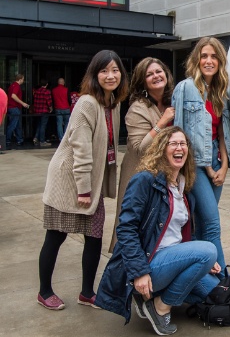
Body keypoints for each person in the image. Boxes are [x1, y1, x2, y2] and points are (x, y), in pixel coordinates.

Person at [95, 126, 220, 336]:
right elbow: (126, 229)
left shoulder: (183, 187)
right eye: (173, 143)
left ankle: (153, 298)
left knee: (210, 293)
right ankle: (160, 306)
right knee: (208, 250)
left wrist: (199, 259)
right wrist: (139, 272)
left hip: (171, 260)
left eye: (183, 144)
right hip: (149, 264)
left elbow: (182, 234)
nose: (179, 148)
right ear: (162, 149)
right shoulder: (145, 180)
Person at [36, 50, 128, 311]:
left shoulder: (113, 102)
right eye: (104, 71)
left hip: (90, 181)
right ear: (94, 75)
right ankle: (44, 291)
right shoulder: (87, 103)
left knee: (94, 235)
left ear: (121, 74)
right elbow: (81, 149)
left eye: (115, 70)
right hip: (70, 179)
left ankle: (87, 292)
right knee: (56, 235)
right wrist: (84, 190)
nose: (110, 76)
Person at [171, 36, 230, 278]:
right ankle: (223, 283)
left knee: (199, 224)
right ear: (196, 60)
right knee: (212, 225)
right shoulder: (186, 88)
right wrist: (207, 167)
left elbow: (222, 132)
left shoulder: (221, 91)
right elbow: (180, 132)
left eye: (214, 56)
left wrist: (225, 165)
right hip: (196, 167)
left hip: (218, 163)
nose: (209, 61)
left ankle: (199, 281)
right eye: (204, 56)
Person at [108, 57, 175, 252]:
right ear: (142, 81)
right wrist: (162, 122)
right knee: (136, 228)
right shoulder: (138, 108)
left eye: (159, 71)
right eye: (149, 74)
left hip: (165, 174)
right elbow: (140, 148)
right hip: (140, 175)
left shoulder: (173, 101)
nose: (156, 76)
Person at [6, 74, 30, 147]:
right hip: (14, 108)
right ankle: (7, 140)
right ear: (20, 79)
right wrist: (23, 103)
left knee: (17, 125)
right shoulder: (16, 86)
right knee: (13, 125)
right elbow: (13, 95)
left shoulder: (12, 85)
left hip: (11, 107)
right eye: (23, 79)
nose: (23, 81)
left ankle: (19, 140)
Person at [32, 79, 53, 146]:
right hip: (44, 111)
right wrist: (51, 109)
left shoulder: (36, 91)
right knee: (43, 126)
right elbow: (49, 102)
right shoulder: (47, 92)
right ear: (46, 84)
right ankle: (42, 141)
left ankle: (36, 138)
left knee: (39, 125)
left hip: (37, 111)